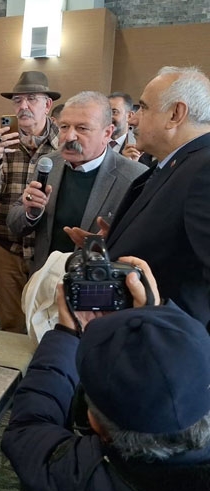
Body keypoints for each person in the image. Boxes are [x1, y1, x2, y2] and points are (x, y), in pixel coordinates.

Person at [2, 259, 210, 491]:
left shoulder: (76, 475)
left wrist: (67, 334)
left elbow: (28, 427)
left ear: (96, 424)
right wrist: (161, 315)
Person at [65, 66, 210, 331]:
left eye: (143, 108)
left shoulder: (204, 170)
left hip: (164, 342)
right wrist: (115, 240)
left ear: (175, 114)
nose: (132, 120)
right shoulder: (176, 163)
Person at [7, 92, 146, 274]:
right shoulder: (49, 164)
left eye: (82, 128)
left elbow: (144, 247)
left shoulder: (135, 177)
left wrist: (107, 244)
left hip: (98, 284)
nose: (69, 137)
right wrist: (30, 212)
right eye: (64, 127)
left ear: (107, 133)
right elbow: (14, 223)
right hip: (46, 277)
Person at [0, 71, 60, 333]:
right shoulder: (1, 143)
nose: (23, 106)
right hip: (7, 250)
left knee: (48, 321)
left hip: (48, 253)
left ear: (47, 105)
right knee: (10, 324)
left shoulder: (63, 145)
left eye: (31, 99)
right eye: (18, 101)